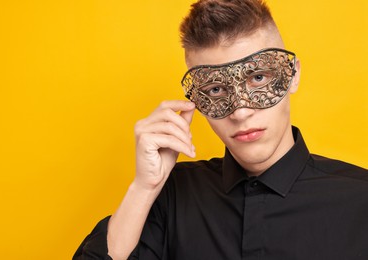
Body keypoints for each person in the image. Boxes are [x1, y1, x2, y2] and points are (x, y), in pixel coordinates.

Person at [73, 0, 368, 259]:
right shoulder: (171, 196)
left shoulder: (360, 201)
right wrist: (142, 189)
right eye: (215, 89)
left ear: (292, 75)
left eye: (258, 78)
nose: (240, 112)